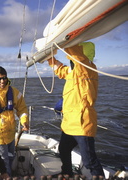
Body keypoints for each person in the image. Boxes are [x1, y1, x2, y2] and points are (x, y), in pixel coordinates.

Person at [47, 42, 105, 178]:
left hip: (82, 123)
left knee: (89, 160)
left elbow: (78, 58)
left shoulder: (86, 70)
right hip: (69, 123)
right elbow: (60, 69)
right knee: (64, 149)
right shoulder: (74, 73)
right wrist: (49, 58)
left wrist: (65, 39)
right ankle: (67, 173)